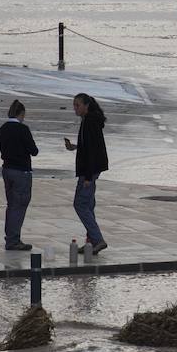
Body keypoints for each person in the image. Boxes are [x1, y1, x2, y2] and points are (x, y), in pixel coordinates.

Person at [63, 93, 109, 254]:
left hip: (89, 170)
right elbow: (89, 145)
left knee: (80, 204)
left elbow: (91, 150)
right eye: (74, 105)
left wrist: (88, 177)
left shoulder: (89, 121)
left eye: (77, 105)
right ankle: (91, 242)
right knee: (88, 205)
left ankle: (97, 239)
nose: (75, 108)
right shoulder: (89, 120)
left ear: (86, 105)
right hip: (92, 168)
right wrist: (74, 147)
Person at [0, 99, 39, 251]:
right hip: (21, 171)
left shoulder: (2, 129)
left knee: (11, 205)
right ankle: (13, 240)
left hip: (7, 169)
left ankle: (10, 237)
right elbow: (33, 151)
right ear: (21, 114)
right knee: (19, 206)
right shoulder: (23, 129)